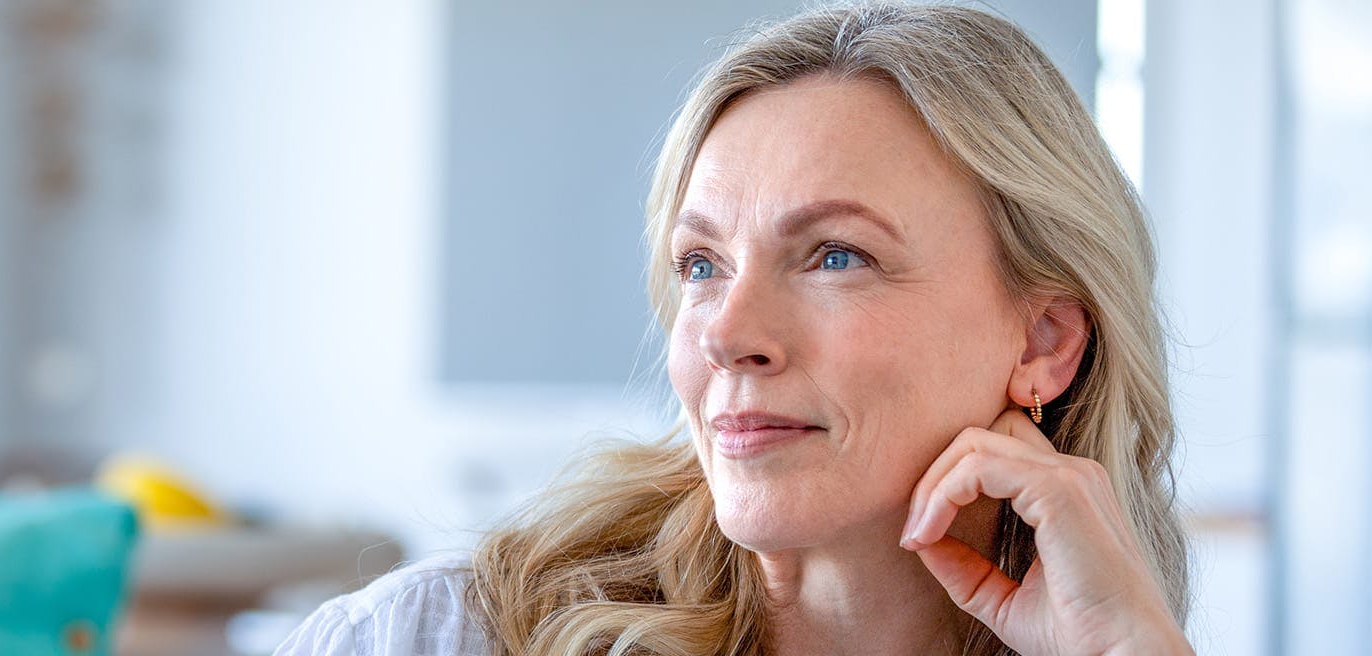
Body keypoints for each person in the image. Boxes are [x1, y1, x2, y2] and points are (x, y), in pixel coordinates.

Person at [276, 3, 1192, 655]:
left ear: (1043, 344)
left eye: (836, 255)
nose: (726, 335)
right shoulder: (427, 640)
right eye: (701, 267)